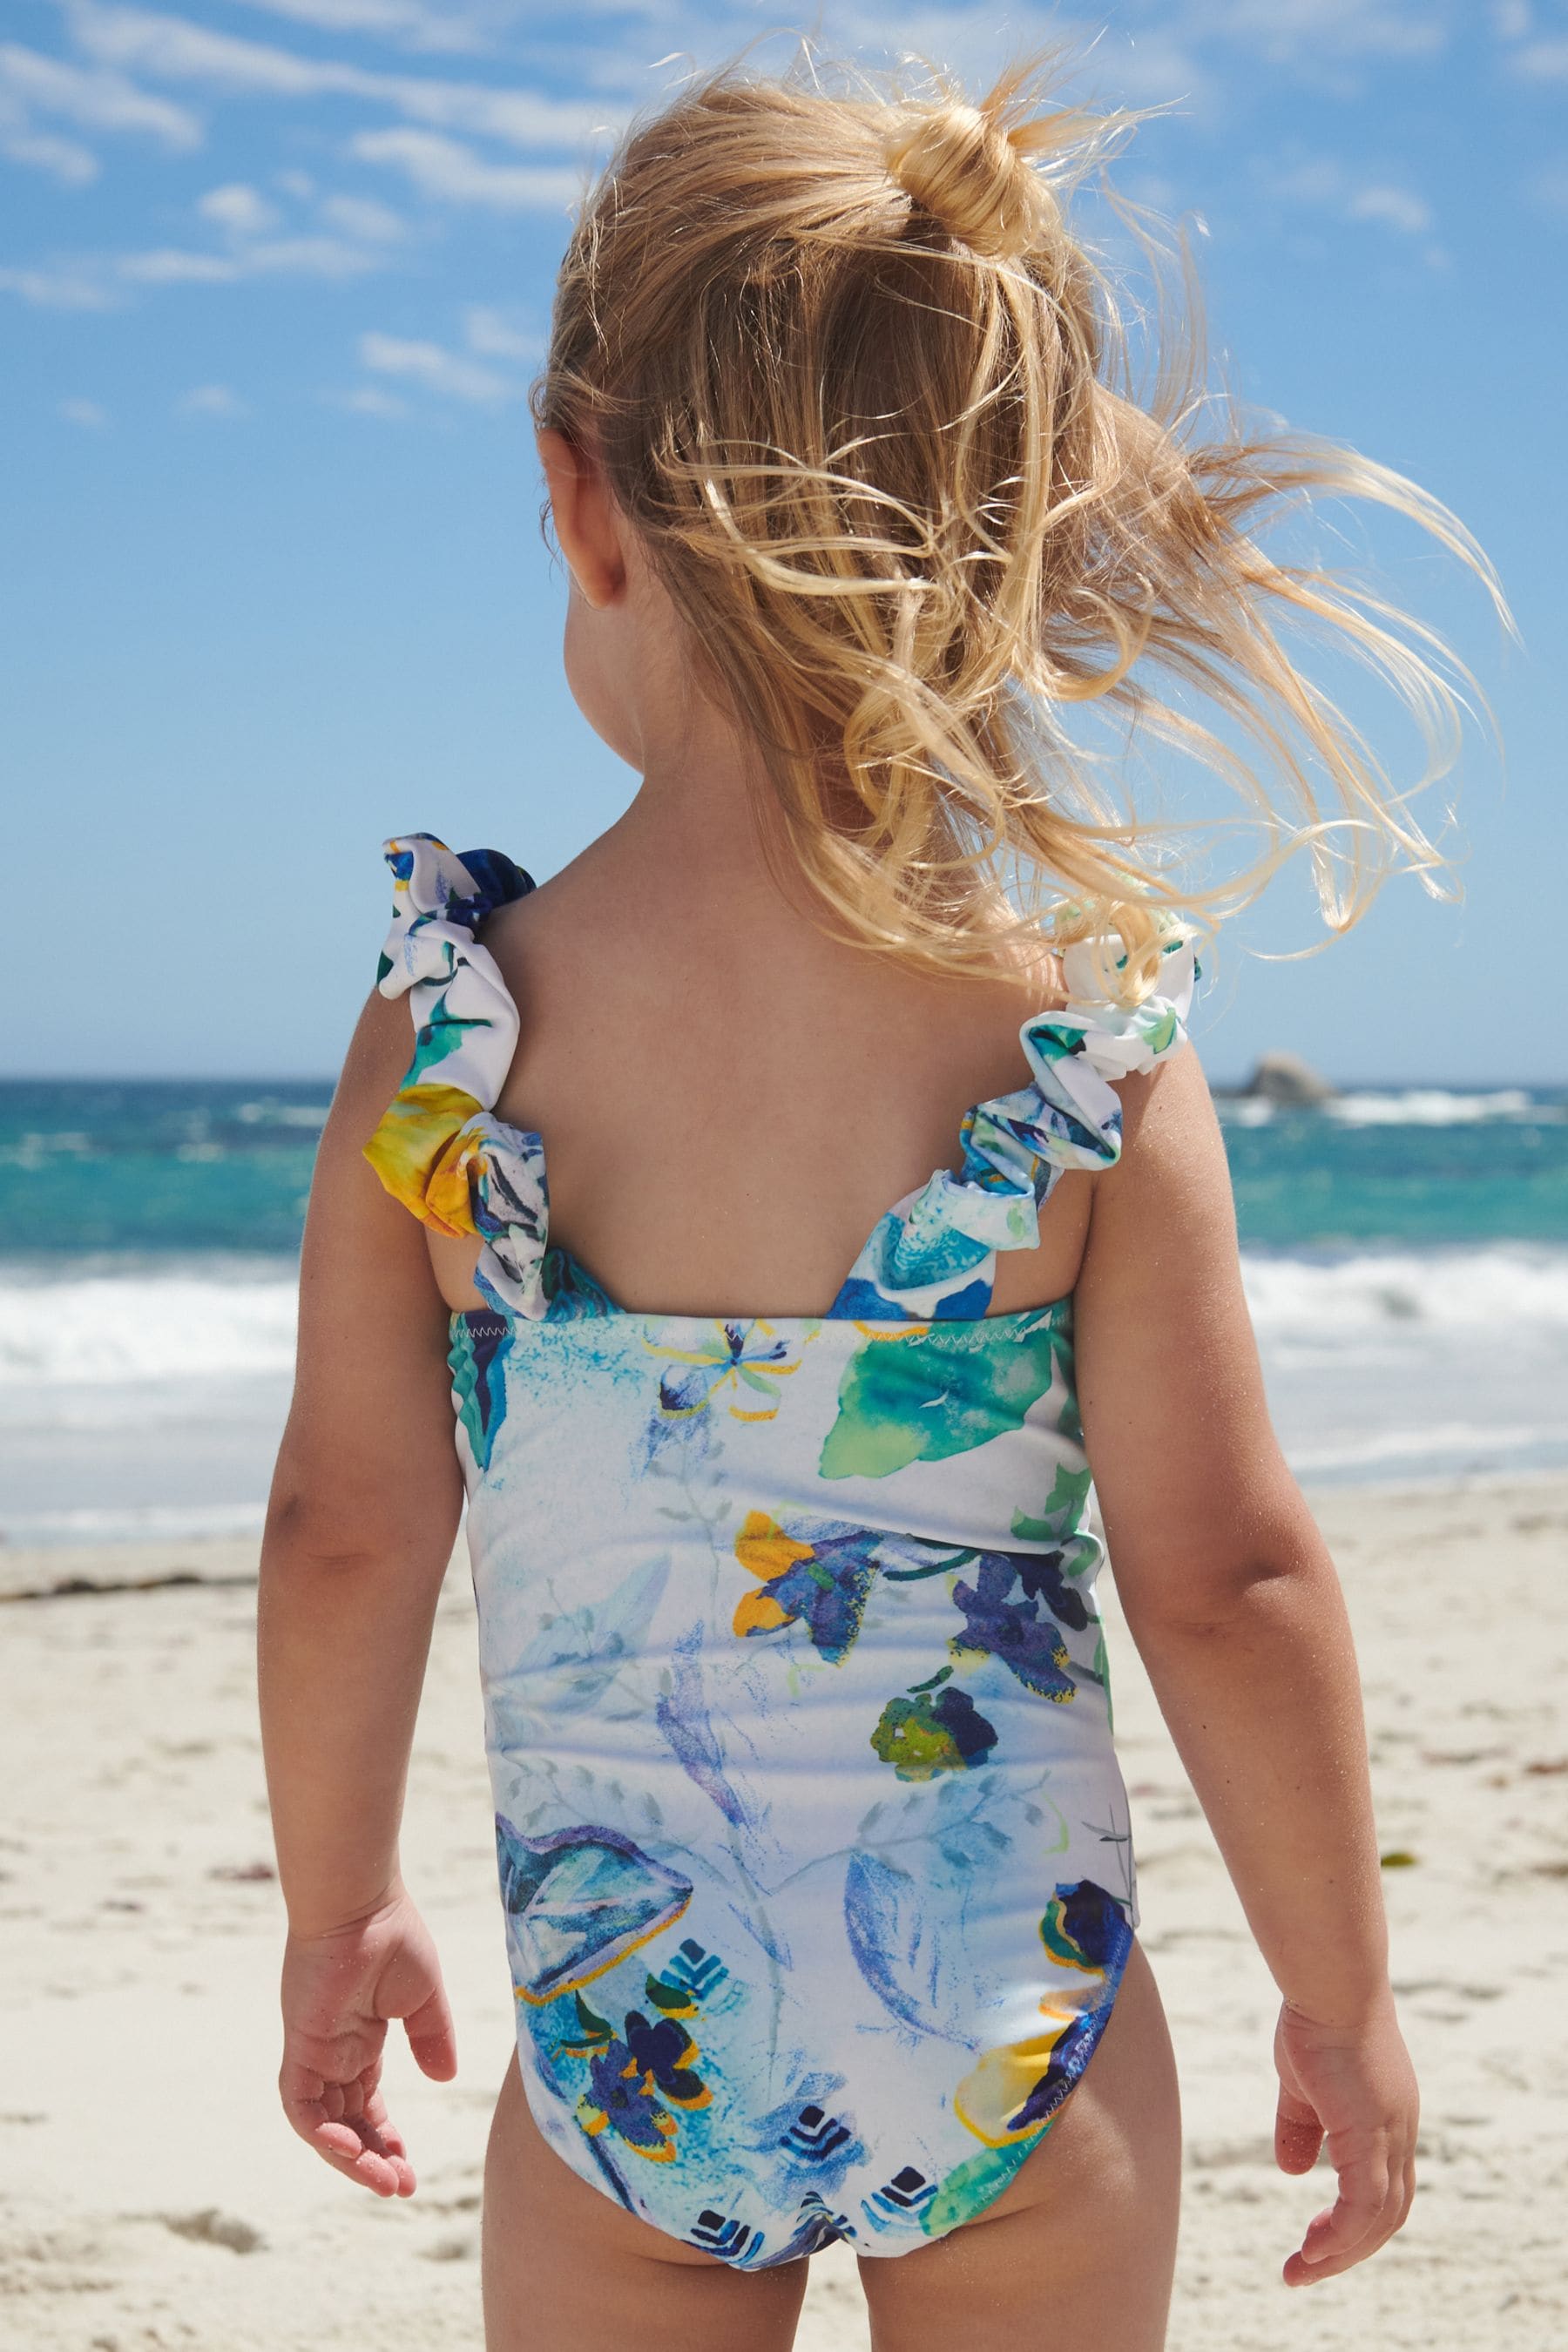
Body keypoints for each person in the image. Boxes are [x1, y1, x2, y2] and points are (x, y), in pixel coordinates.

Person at [257, 54, 1495, 2352]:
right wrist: (1343, 1995)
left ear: (574, 488)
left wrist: (340, 1907)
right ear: (1011, 524)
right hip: (1023, 2040)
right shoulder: (1072, 1053)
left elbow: (347, 1524)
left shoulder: (447, 1047)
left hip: (633, 2047)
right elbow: (1226, 1575)